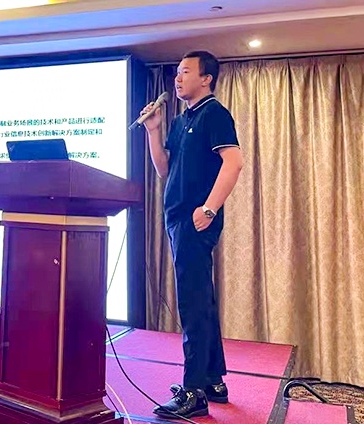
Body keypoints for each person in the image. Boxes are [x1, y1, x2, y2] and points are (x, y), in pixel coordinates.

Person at [140, 50, 243, 419]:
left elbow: (234, 162)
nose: (178, 78)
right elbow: (165, 169)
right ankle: (213, 381)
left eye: (186, 72)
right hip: (177, 218)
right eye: (177, 73)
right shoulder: (182, 120)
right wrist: (153, 130)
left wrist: (209, 208)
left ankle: (193, 391)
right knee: (202, 299)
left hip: (195, 221)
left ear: (206, 78)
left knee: (192, 304)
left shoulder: (215, 113)